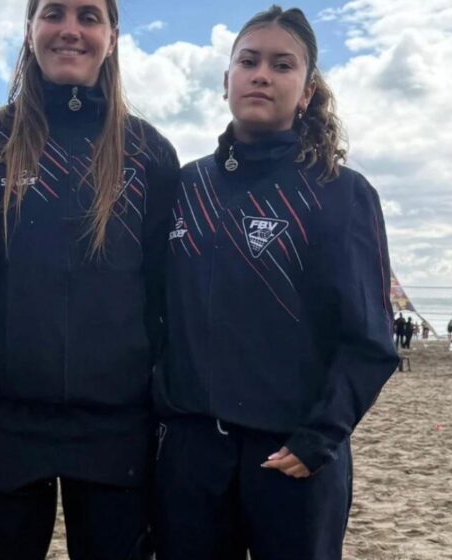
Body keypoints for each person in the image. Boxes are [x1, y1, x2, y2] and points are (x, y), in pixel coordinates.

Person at [153, 6, 399, 559]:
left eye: (282, 64)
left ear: (306, 91)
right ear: (225, 81)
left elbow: (370, 341)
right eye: (249, 61)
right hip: (191, 458)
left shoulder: (340, 193)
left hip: (293, 458)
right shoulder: (185, 186)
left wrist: (319, 438)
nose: (262, 74)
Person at [0, 0, 180, 557]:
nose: (70, 30)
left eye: (89, 16)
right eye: (53, 13)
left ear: (112, 36)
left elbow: (166, 294)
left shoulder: (148, 152)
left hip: (117, 425)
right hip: (5, 421)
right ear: (30, 30)